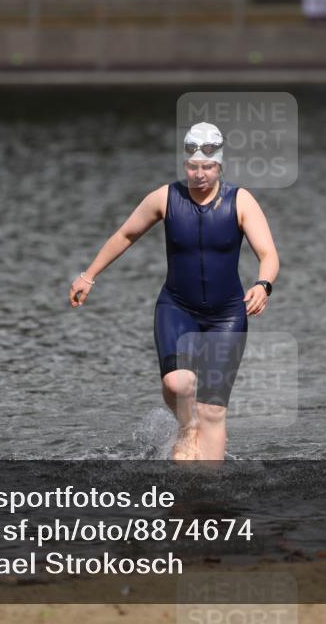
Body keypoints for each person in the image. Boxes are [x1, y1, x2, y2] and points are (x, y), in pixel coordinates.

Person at [69, 122, 279, 461]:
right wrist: (88, 276)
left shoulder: (240, 201)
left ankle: (209, 485)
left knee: (212, 411)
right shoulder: (165, 198)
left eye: (207, 167)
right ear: (185, 164)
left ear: (219, 165)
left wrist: (263, 284)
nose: (200, 174)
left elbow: (268, 254)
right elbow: (125, 235)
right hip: (177, 308)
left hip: (226, 315)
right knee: (176, 384)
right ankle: (186, 426)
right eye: (193, 167)